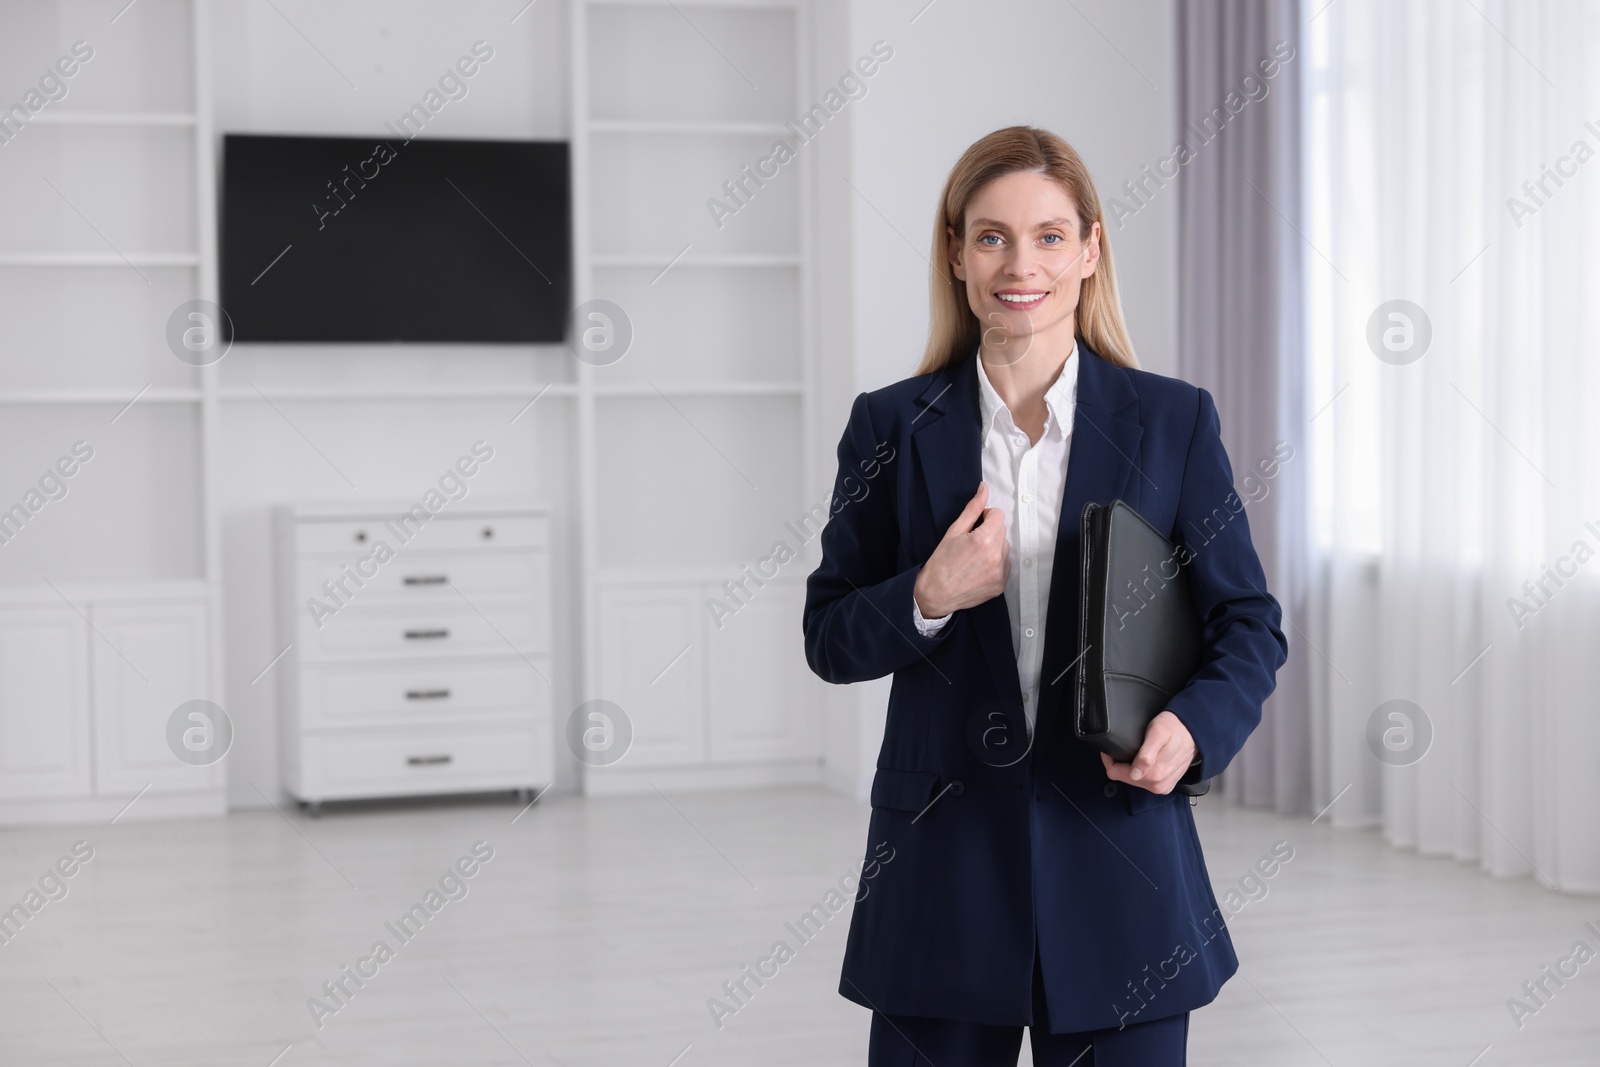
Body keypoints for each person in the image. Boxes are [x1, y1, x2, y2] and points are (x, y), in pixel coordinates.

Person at [801, 125, 1289, 1066]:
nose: (1019, 264)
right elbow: (829, 635)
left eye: (1050, 236)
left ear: (1092, 248)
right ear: (956, 253)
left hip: (1122, 874)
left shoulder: (1174, 421)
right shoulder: (889, 426)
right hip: (939, 881)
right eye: (991, 236)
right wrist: (929, 594)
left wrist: (1191, 729)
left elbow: (1247, 624)